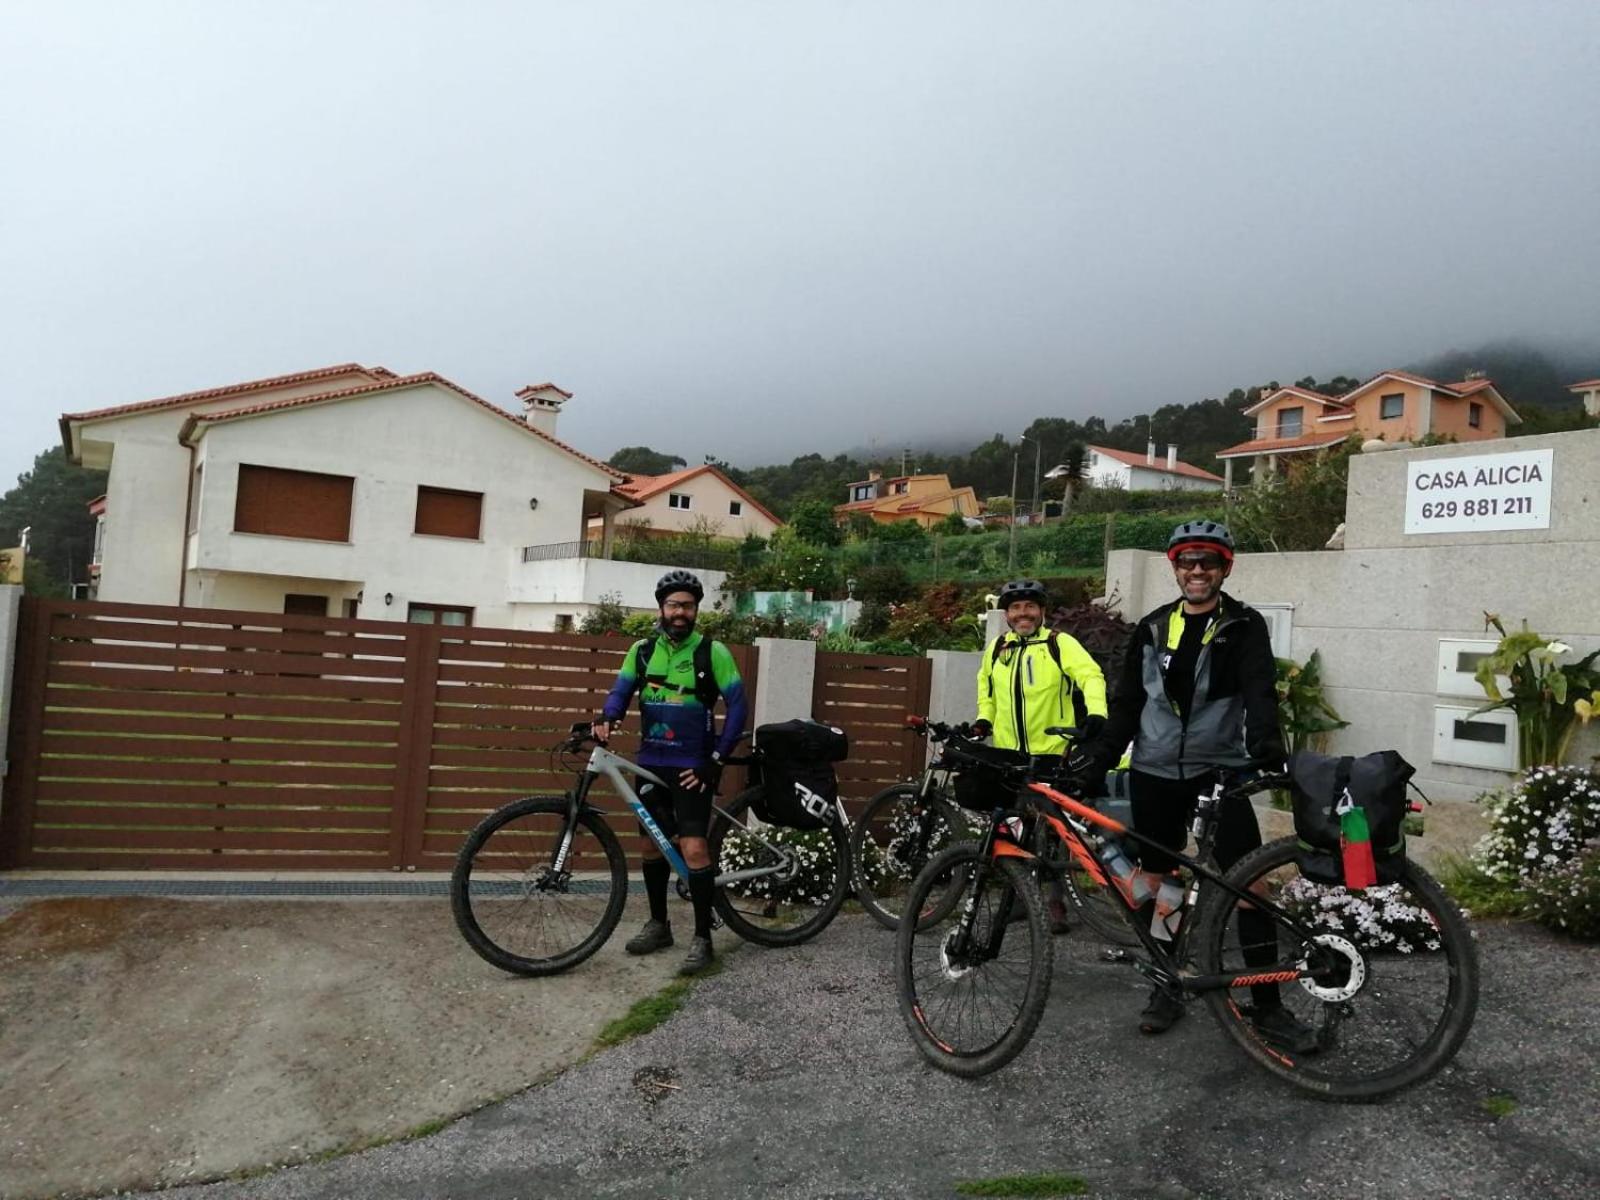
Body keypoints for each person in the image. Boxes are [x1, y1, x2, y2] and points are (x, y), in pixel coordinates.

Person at [1091, 520, 1314, 1050]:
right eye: (1187, 561)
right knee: (1160, 883)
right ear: (1175, 568)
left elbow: (1260, 689)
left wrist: (1266, 742)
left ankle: (1268, 1005)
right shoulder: (1152, 627)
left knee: (1249, 885)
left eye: (1208, 561)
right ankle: (1168, 983)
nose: (1197, 570)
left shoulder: (1243, 624)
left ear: (1224, 569)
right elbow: (1128, 702)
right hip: (1153, 770)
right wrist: (1099, 758)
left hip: (1219, 769)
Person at [594, 570, 748, 976]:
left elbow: (738, 706)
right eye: (674, 605)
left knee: (694, 848)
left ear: (696, 610)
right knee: (651, 846)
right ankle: (659, 925)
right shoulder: (642, 651)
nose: (681, 612)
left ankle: (703, 937)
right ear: (661, 608)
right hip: (651, 762)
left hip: (693, 767)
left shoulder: (712, 652)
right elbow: (621, 691)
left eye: (688, 606)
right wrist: (607, 717)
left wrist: (716, 759)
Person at [975, 578, 1108, 932]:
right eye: (1016, 607)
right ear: (1007, 614)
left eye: (1030, 606)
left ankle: (1054, 901)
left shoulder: (1058, 644)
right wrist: (984, 719)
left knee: (1052, 832)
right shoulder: (998, 648)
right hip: (1010, 755)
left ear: (1042, 611)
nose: (1024, 613)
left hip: (1051, 754)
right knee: (1013, 827)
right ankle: (1019, 898)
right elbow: (986, 688)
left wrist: (1097, 712)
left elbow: (1090, 676)